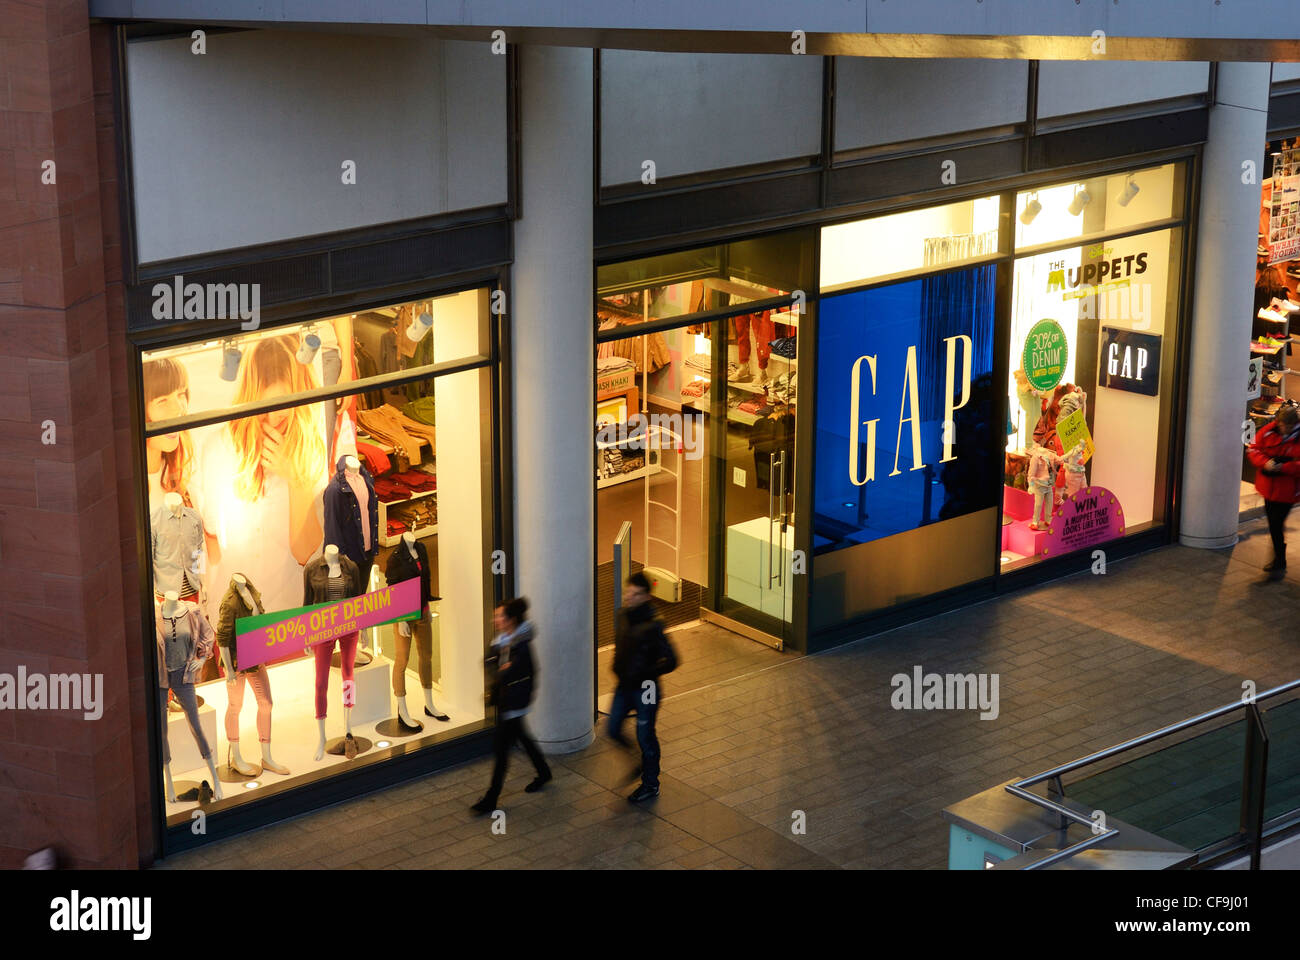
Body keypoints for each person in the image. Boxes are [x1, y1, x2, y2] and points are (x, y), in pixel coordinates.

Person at [472, 597, 551, 813]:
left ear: (511, 620)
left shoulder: (521, 647)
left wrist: (501, 671)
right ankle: (544, 773)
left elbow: (506, 674)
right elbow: (489, 662)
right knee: (523, 738)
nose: (494, 619)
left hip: (514, 702)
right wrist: (501, 670)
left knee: (501, 751)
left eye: (499, 616)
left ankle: (491, 798)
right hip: (508, 699)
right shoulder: (502, 640)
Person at [608, 572, 677, 803]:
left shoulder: (654, 625)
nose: (630, 597)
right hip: (624, 685)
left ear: (646, 597)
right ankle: (637, 760)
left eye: (636, 594)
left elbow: (672, 660)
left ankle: (650, 784)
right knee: (613, 728)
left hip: (646, 688)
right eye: (629, 592)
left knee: (645, 735)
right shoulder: (623, 615)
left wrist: (646, 672)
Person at [1247, 403, 1300, 573]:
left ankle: (1279, 559)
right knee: (1273, 522)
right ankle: (1279, 557)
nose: (1283, 428)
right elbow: (1253, 449)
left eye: (1287, 426)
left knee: (1276, 522)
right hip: (1269, 487)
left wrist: (1284, 468)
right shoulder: (1269, 430)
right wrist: (1266, 463)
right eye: (1282, 424)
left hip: (1288, 490)